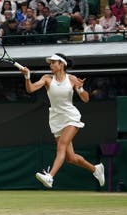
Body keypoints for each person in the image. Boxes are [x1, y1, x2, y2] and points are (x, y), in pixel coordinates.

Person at [19, 53, 105, 189]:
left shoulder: (72, 79)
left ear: (62, 64)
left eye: (54, 62)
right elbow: (30, 89)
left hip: (71, 117)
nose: (51, 65)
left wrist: (80, 88)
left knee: (62, 146)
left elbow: (86, 99)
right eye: (50, 63)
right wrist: (27, 76)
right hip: (56, 119)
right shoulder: (47, 78)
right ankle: (96, 169)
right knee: (70, 158)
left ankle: (50, 177)